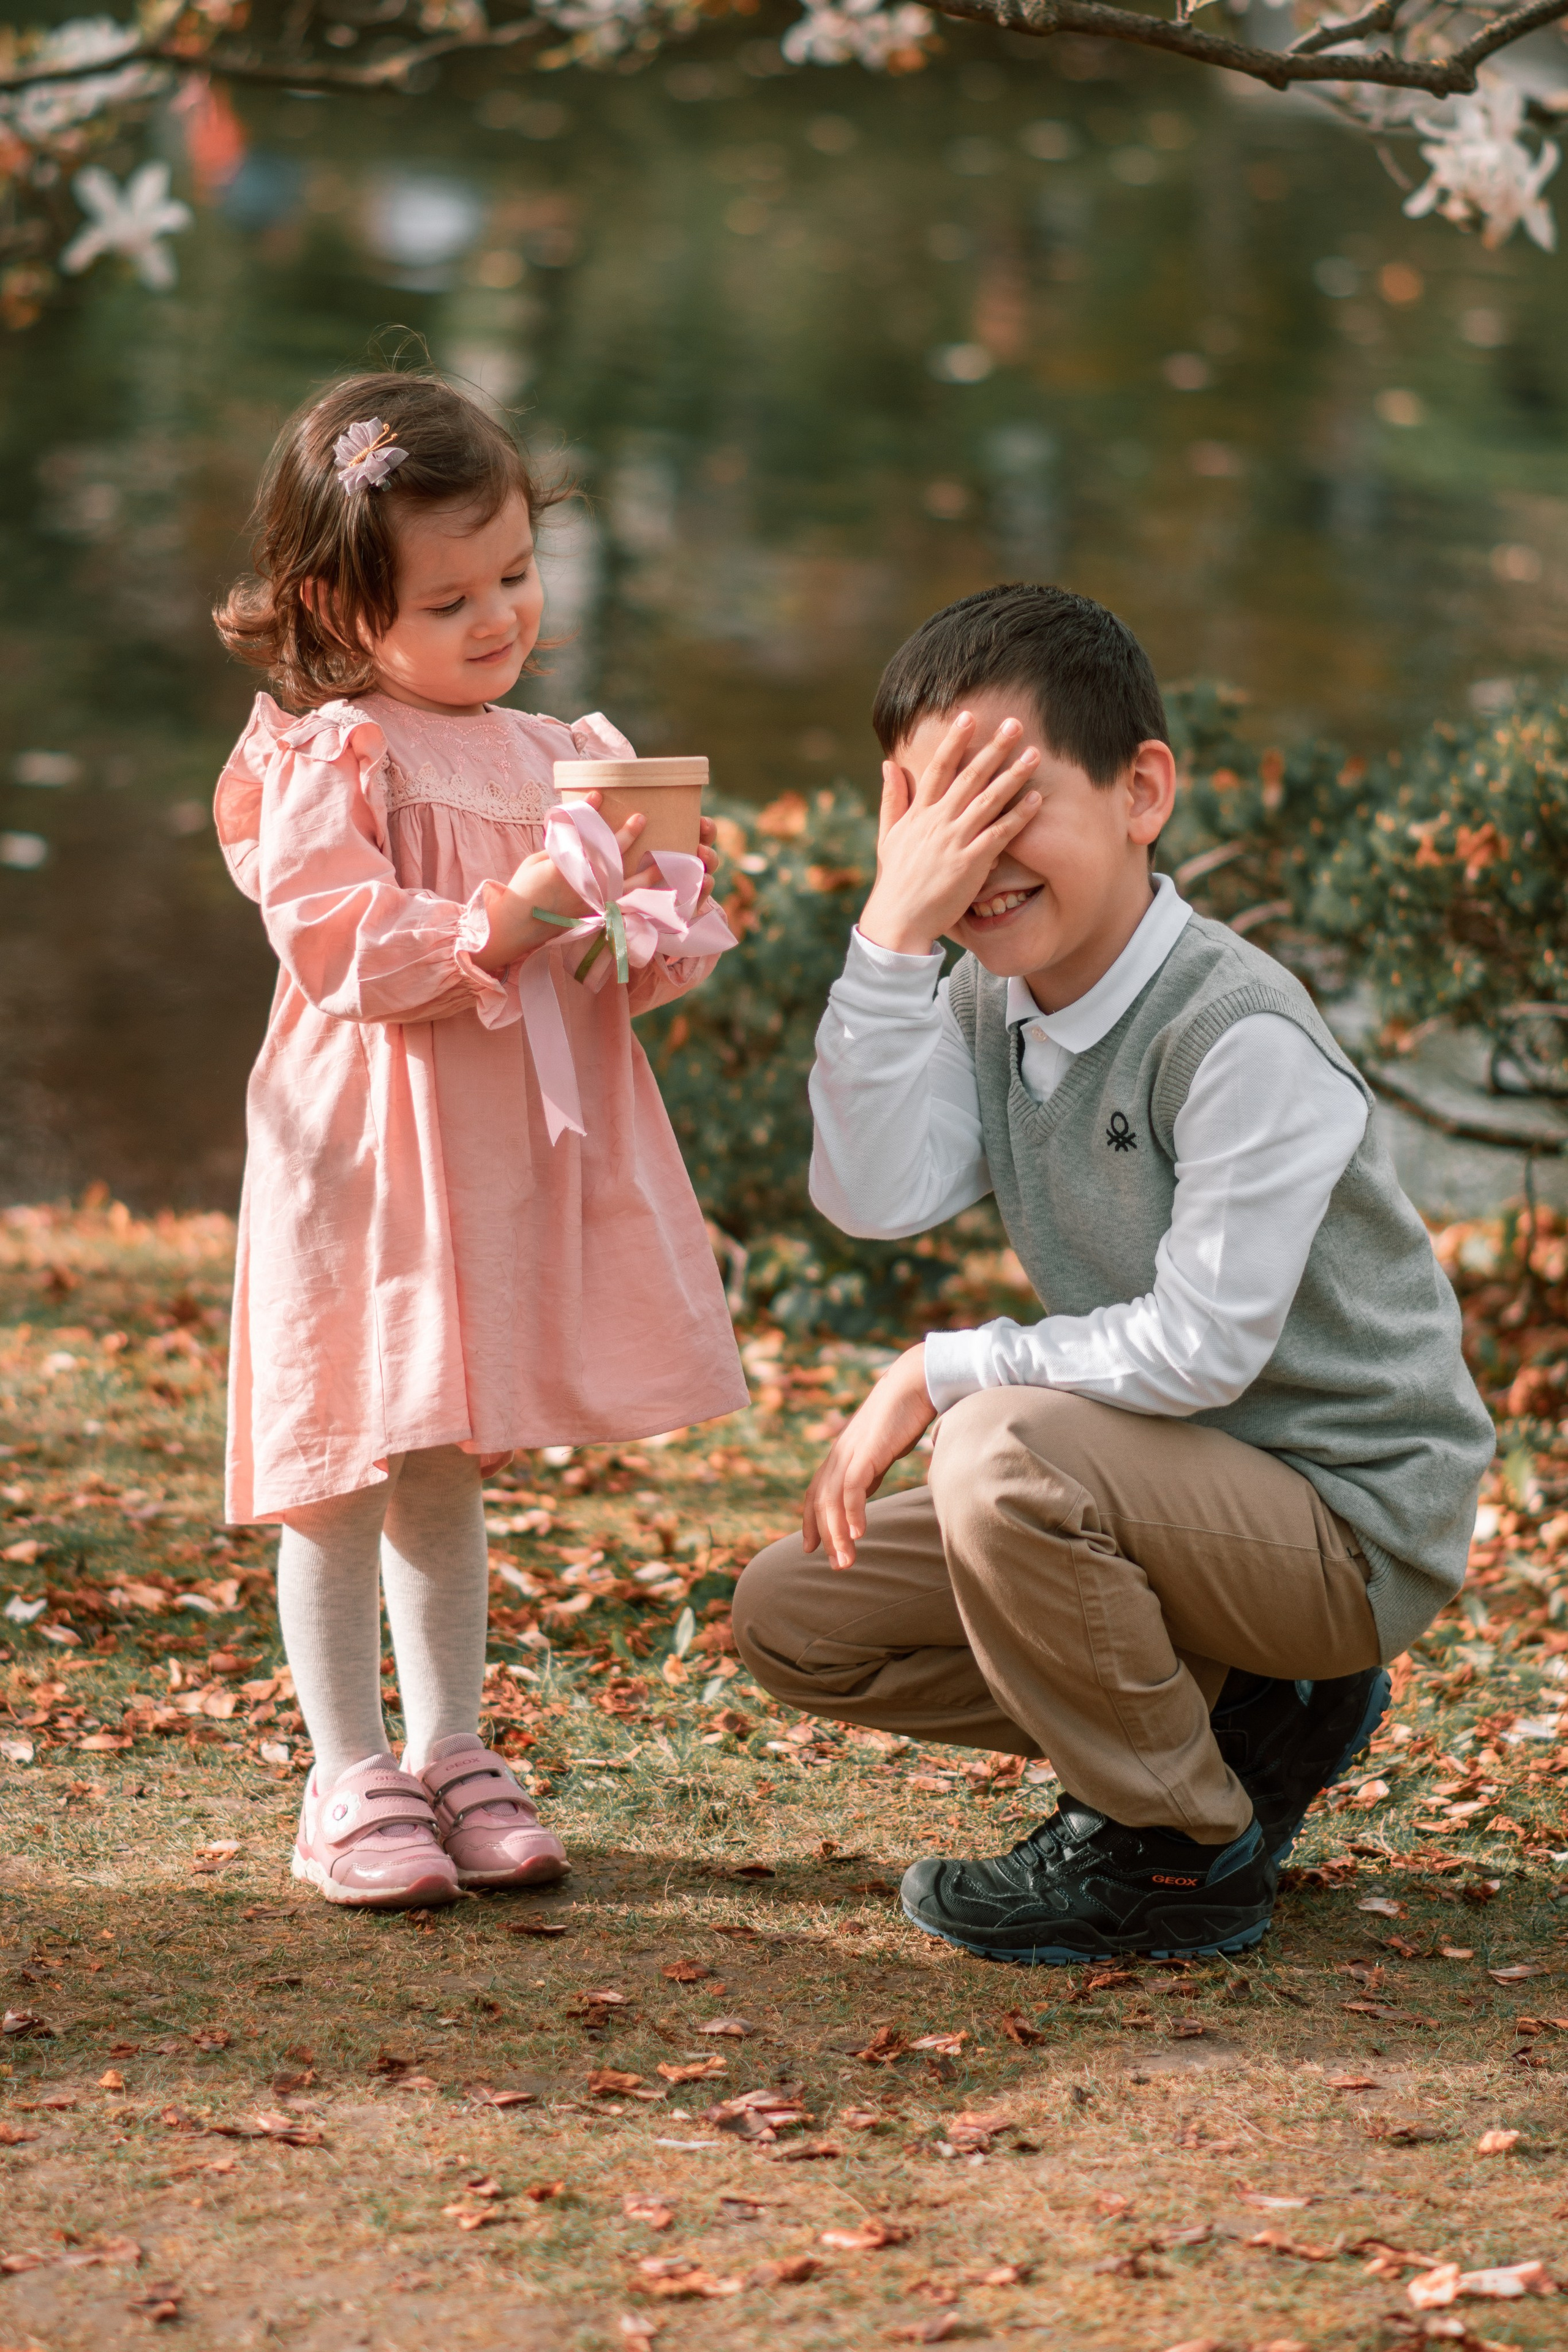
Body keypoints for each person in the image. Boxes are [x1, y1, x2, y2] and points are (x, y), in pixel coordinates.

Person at [733, 582, 1493, 1964]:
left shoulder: (1234, 1030)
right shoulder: (987, 998)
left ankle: (1176, 1852)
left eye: (1005, 799)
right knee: (796, 1619)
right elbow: (869, 1195)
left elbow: (1202, 1348)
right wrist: (888, 940)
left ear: (1141, 791)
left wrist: (943, 1369)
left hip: (1345, 1519)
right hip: (1159, 1492)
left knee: (999, 1449)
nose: (971, 854)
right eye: (932, 814)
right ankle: (1244, 1713)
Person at [213, 371, 747, 1910]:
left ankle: (451, 1746)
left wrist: (659, 904)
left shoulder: (557, 752)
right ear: (340, 605)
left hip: (489, 1158)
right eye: (449, 600)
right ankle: (344, 1772)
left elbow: (607, 978)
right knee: (342, 1456)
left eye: (514, 575)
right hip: (364, 1155)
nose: (498, 616)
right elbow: (339, 947)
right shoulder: (335, 753)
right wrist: (504, 916)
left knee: (444, 1457)